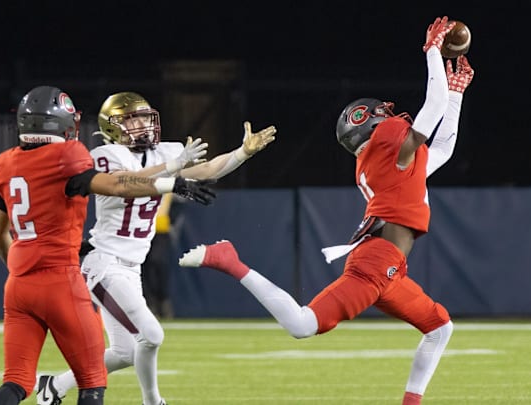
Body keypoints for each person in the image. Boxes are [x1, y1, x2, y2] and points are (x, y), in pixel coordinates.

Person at [179, 17, 473, 405]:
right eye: (383, 114)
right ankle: (230, 261)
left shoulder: (393, 159)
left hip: (390, 267)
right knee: (302, 325)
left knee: (439, 327)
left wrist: (455, 95)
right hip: (376, 263)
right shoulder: (386, 146)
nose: (392, 116)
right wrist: (432, 52)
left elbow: (443, 147)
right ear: (371, 124)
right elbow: (430, 108)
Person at [39, 92, 276, 405]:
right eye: (130, 118)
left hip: (130, 267)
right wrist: (172, 167)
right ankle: (153, 401)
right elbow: (123, 181)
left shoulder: (164, 153)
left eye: (143, 116)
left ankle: (54, 385)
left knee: (125, 352)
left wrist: (241, 153)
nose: (140, 124)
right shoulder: (104, 153)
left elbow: (204, 172)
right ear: (112, 127)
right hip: (104, 264)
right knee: (151, 335)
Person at [0, 86, 215, 405]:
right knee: (93, 381)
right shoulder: (68, 155)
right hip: (60, 279)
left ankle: (51, 386)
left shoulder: (5, 163)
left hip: (19, 283)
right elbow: (116, 183)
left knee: (15, 383)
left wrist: (20, 269)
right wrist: (170, 180)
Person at [141, 193, 175, 319]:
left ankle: (163, 300)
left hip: (159, 229)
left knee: (158, 263)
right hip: (142, 228)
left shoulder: (165, 180)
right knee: (144, 266)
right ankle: (150, 303)